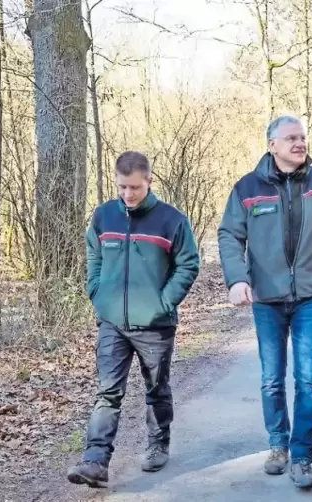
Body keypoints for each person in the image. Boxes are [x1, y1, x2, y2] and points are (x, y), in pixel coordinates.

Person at [217, 115, 312, 490]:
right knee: (271, 379)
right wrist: (237, 279)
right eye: (290, 138)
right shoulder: (247, 187)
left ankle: (302, 455)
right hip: (267, 297)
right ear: (271, 144)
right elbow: (229, 235)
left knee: (307, 380)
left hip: (311, 296)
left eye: (302, 137)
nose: (299, 143)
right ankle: (277, 444)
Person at [67, 151, 200, 487]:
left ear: (149, 181)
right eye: (122, 187)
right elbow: (94, 256)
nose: (127, 194)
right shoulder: (103, 216)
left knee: (156, 388)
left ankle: (158, 444)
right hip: (112, 321)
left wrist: (163, 302)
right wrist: (97, 291)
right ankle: (95, 461)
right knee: (107, 392)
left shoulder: (172, 220)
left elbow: (188, 265)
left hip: (155, 325)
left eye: (135, 188)